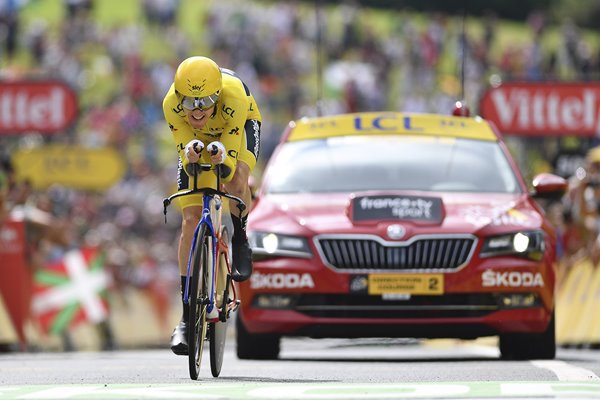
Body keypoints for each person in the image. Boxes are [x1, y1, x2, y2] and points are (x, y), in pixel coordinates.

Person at [162, 56, 261, 355]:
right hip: (197, 141)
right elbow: (186, 152)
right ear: (179, 97)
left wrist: (223, 161)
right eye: (190, 102)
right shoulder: (171, 105)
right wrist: (193, 156)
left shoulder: (233, 98)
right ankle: (186, 316)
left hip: (236, 128)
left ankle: (241, 239)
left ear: (217, 95)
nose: (197, 109)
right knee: (190, 220)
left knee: (235, 180)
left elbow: (228, 166)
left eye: (205, 101)